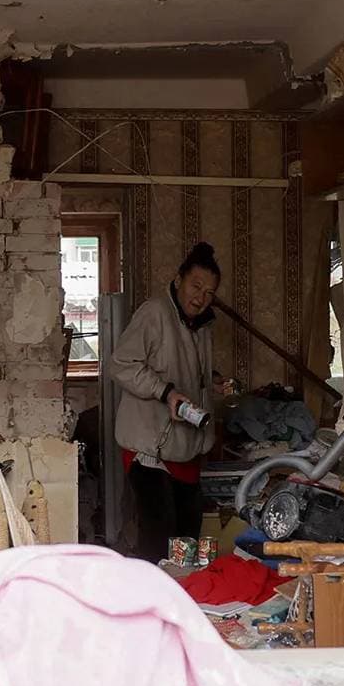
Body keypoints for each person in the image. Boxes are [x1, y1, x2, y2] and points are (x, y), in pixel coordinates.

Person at [110, 241, 220, 562]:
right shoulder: (155, 313)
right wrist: (165, 392)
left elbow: (187, 371)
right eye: (195, 286)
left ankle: (181, 592)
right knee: (159, 538)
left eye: (209, 292)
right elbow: (121, 364)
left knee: (187, 539)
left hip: (186, 449)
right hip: (150, 449)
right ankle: (152, 591)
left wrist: (212, 382)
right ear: (178, 279)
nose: (200, 297)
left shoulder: (201, 326)